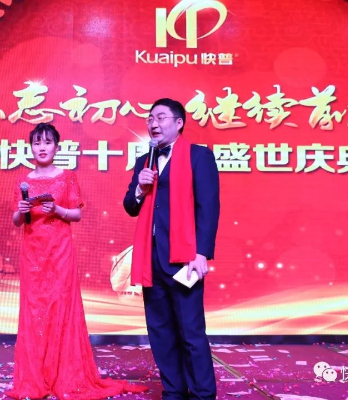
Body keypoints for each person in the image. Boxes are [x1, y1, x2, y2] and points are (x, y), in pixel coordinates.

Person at [7, 123, 147, 400]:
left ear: (57, 147)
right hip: (32, 255)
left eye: (47, 142)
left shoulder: (67, 177)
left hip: (60, 252)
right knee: (35, 311)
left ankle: (64, 375)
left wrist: (56, 209)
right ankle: (37, 378)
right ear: (30, 148)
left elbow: (76, 215)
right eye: (37, 143)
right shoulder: (23, 180)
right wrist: (21, 211)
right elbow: (16, 221)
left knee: (61, 308)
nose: (42, 148)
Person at [123, 98, 220, 400]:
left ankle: (203, 394)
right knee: (160, 331)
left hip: (184, 257)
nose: (153, 123)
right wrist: (139, 189)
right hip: (150, 258)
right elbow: (130, 206)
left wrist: (202, 253)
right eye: (150, 118)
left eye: (161, 117)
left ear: (178, 123)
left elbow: (208, 207)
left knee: (191, 331)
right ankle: (174, 391)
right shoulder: (144, 161)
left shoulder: (199, 156)